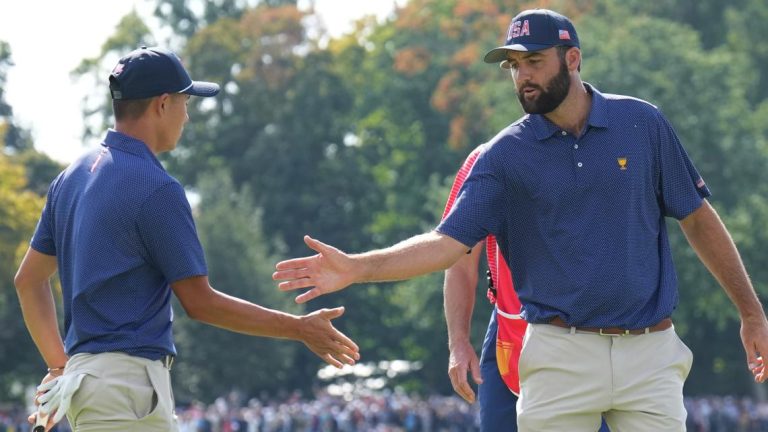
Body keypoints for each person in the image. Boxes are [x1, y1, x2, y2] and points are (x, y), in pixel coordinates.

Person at [273, 8, 768, 432]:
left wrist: (750, 311)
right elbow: (449, 246)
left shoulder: (643, 124)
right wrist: (359, 266)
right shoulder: (503, 157)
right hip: (557, 355)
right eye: (513, 65)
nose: (522, 76)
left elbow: (699, 219)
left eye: (534, 61)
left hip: (651, 351)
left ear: (572, 60)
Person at [14, 46, 359, 432]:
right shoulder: (156, 186)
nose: (187, 115)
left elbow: (28, 281)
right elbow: (201, 303)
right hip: (126, 387)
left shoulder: (70, 176)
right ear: (162, 104)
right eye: (185, 101)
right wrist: (299, 327)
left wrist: (60, 365)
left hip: (91, 385)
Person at [443, 146, 610, 432]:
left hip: (590, 331)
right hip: (509, 329)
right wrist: (458, 341)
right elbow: (458, 258)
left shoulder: (604, 157)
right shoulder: (485, 160)